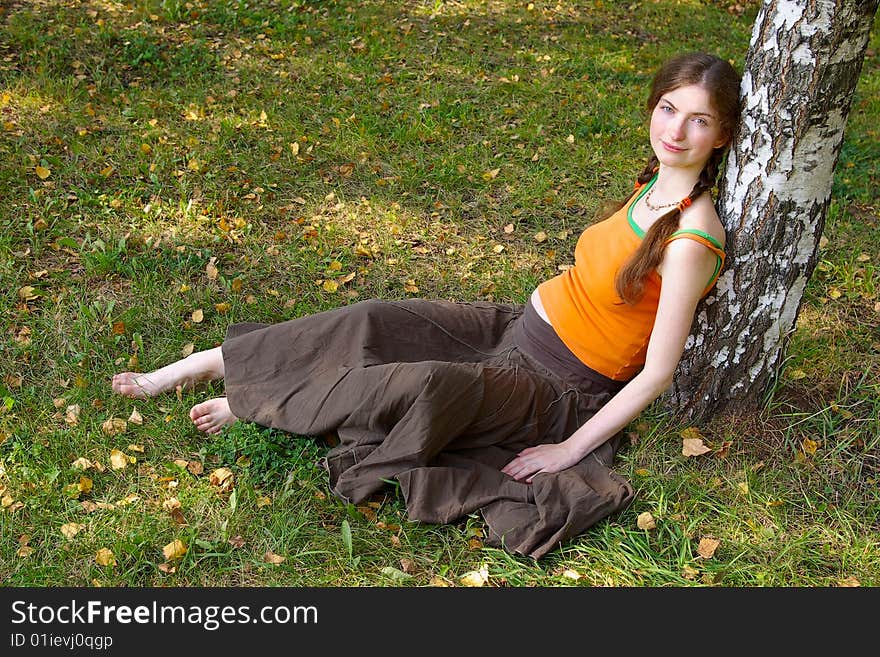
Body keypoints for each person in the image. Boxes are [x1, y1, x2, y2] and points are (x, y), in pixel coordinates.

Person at [112, 52, 742, 559]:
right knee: (374, 319)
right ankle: (200, 365)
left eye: (698, 121)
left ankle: (258, 403)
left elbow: (658, 371)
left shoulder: (691, 240)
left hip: (555, 390)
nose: (675, 131)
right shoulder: (651, 186)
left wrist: (568, 451)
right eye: (667, 110)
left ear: (722, 137)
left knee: (424, 383)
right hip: (512, 329)